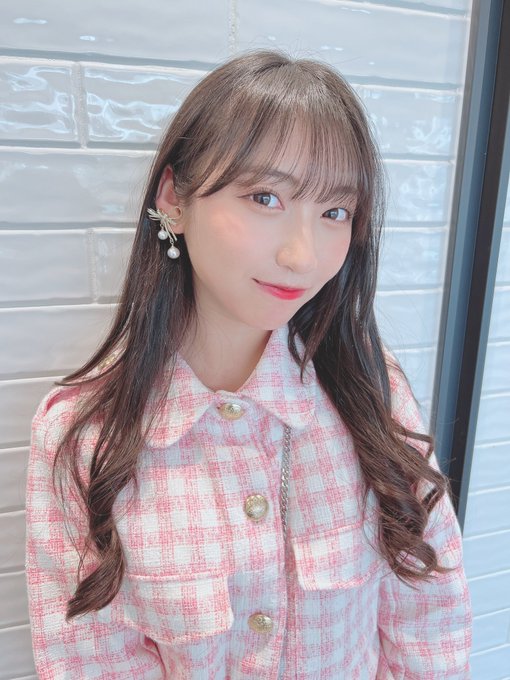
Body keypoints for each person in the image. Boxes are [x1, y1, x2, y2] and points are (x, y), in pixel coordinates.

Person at [25, 50, 472, 679]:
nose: (302, 255)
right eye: (265, 197)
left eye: (335, 212)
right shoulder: (86, 434)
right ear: (175, 198)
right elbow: (87, 660)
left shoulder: (373, 394)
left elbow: (429, 625)